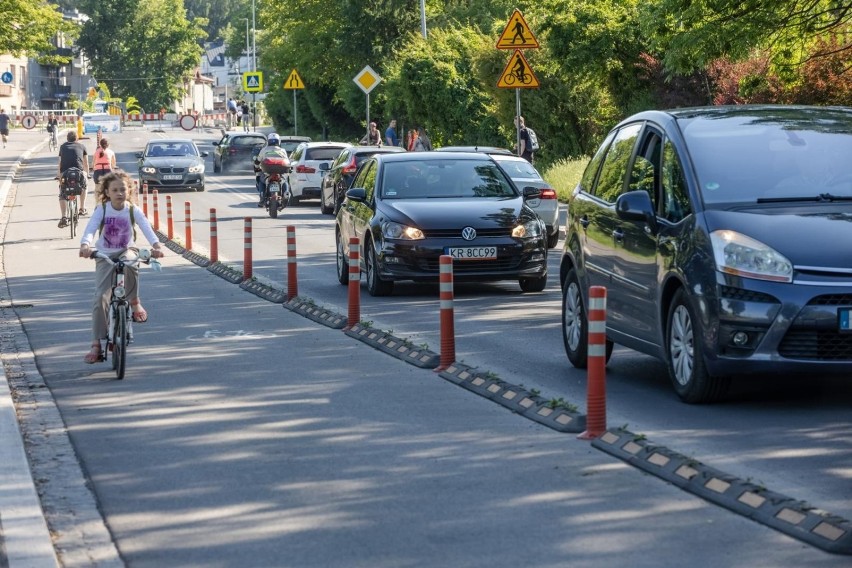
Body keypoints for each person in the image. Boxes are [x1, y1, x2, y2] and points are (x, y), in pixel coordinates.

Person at [78, 170, 164, 364]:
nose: (119, 193)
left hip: (126, 249)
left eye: (122, 189)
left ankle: (134, 301)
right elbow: (91, 227)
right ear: (107, 192)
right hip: (104, 254)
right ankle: (96, 344)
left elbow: (146, 227)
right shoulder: (102, 209)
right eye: (114, 190)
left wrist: (156, 246)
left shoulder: (132, 209)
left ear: (129, 190)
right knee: (101, 296)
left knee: (132, 263)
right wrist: (85, 245)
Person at [58, 131, 91, 226]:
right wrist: (87, 174)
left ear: (67, 139)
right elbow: (86, 163)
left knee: (62, 193)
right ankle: (82, 208)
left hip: (65, 173)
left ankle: (64, 216)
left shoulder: (63, 147)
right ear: (77, 139)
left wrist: (59, 176)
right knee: (84, 186)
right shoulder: (82, 147)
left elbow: (59, 163)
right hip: (79, 173)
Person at [253, 133, 290, 206]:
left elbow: (258, 160)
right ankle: (286, 193)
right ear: (278, 141)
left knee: (261, 180)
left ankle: (262, 196)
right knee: (284, 180)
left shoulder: (264, 150)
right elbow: (287, 161)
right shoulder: (282, 150)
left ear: (268, 141)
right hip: (280, 170)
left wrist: (256, 167)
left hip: (267, 171)